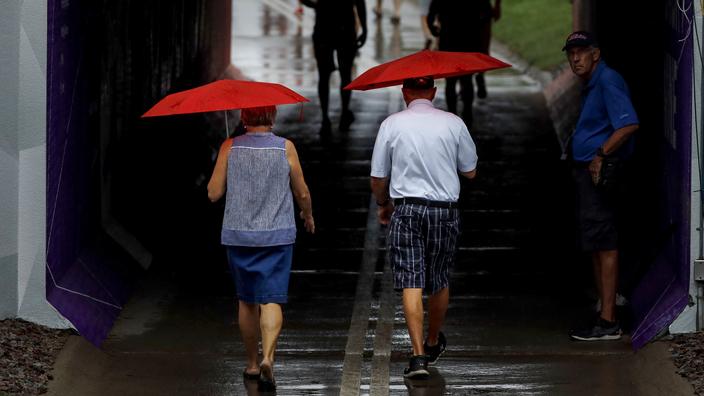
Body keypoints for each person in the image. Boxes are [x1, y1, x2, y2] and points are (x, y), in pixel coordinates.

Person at [370, 77, 478, 378]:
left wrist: (383, 204)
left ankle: (417, 357)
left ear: (404, 92)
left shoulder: (391, 125)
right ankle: (433, 341)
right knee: (439, 278)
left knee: (411, 281)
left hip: (406, 210)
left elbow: (378, 178)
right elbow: (470, 171)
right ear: (434, 92)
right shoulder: (453, 123)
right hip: (444, 211)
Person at [207, 105, 315, 390]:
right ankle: (269, 356)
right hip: (277, 236)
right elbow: (301, 191)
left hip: (239, 236)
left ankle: (253, 363)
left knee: (247, 300)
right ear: (273, 117)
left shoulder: (230, 146)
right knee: (272, 299)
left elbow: (214, 193)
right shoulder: (285, 148)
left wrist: (227, 159)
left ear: (244, 118)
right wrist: (307, 214)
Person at [562, 31, 639, 341]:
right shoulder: (593, 83)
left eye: (581, 52)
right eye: (571, 53)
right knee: (595, 241)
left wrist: (600, 154)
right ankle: (603, 309)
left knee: (605, 243)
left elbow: (629, 123)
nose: (575, 58)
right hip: (587, 171)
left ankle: (608, 321)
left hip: (600, 171)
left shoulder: (607, 80)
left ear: (596, 53)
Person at [427, 0, 501, 126]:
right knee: (466, 79)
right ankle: (467, 113)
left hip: (448, 39)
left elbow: (432, 14)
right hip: (470, 39)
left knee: (450, 81)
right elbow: (486, 14)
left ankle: (452, 114)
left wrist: (434, 29)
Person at [301, 0, 368, 133]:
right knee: (346, 75)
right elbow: (359, 2)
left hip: (323, 27)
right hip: (346, 27)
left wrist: (317, 5)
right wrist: (364, 28)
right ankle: (344, 114)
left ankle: (325, 118)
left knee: (323, 75)